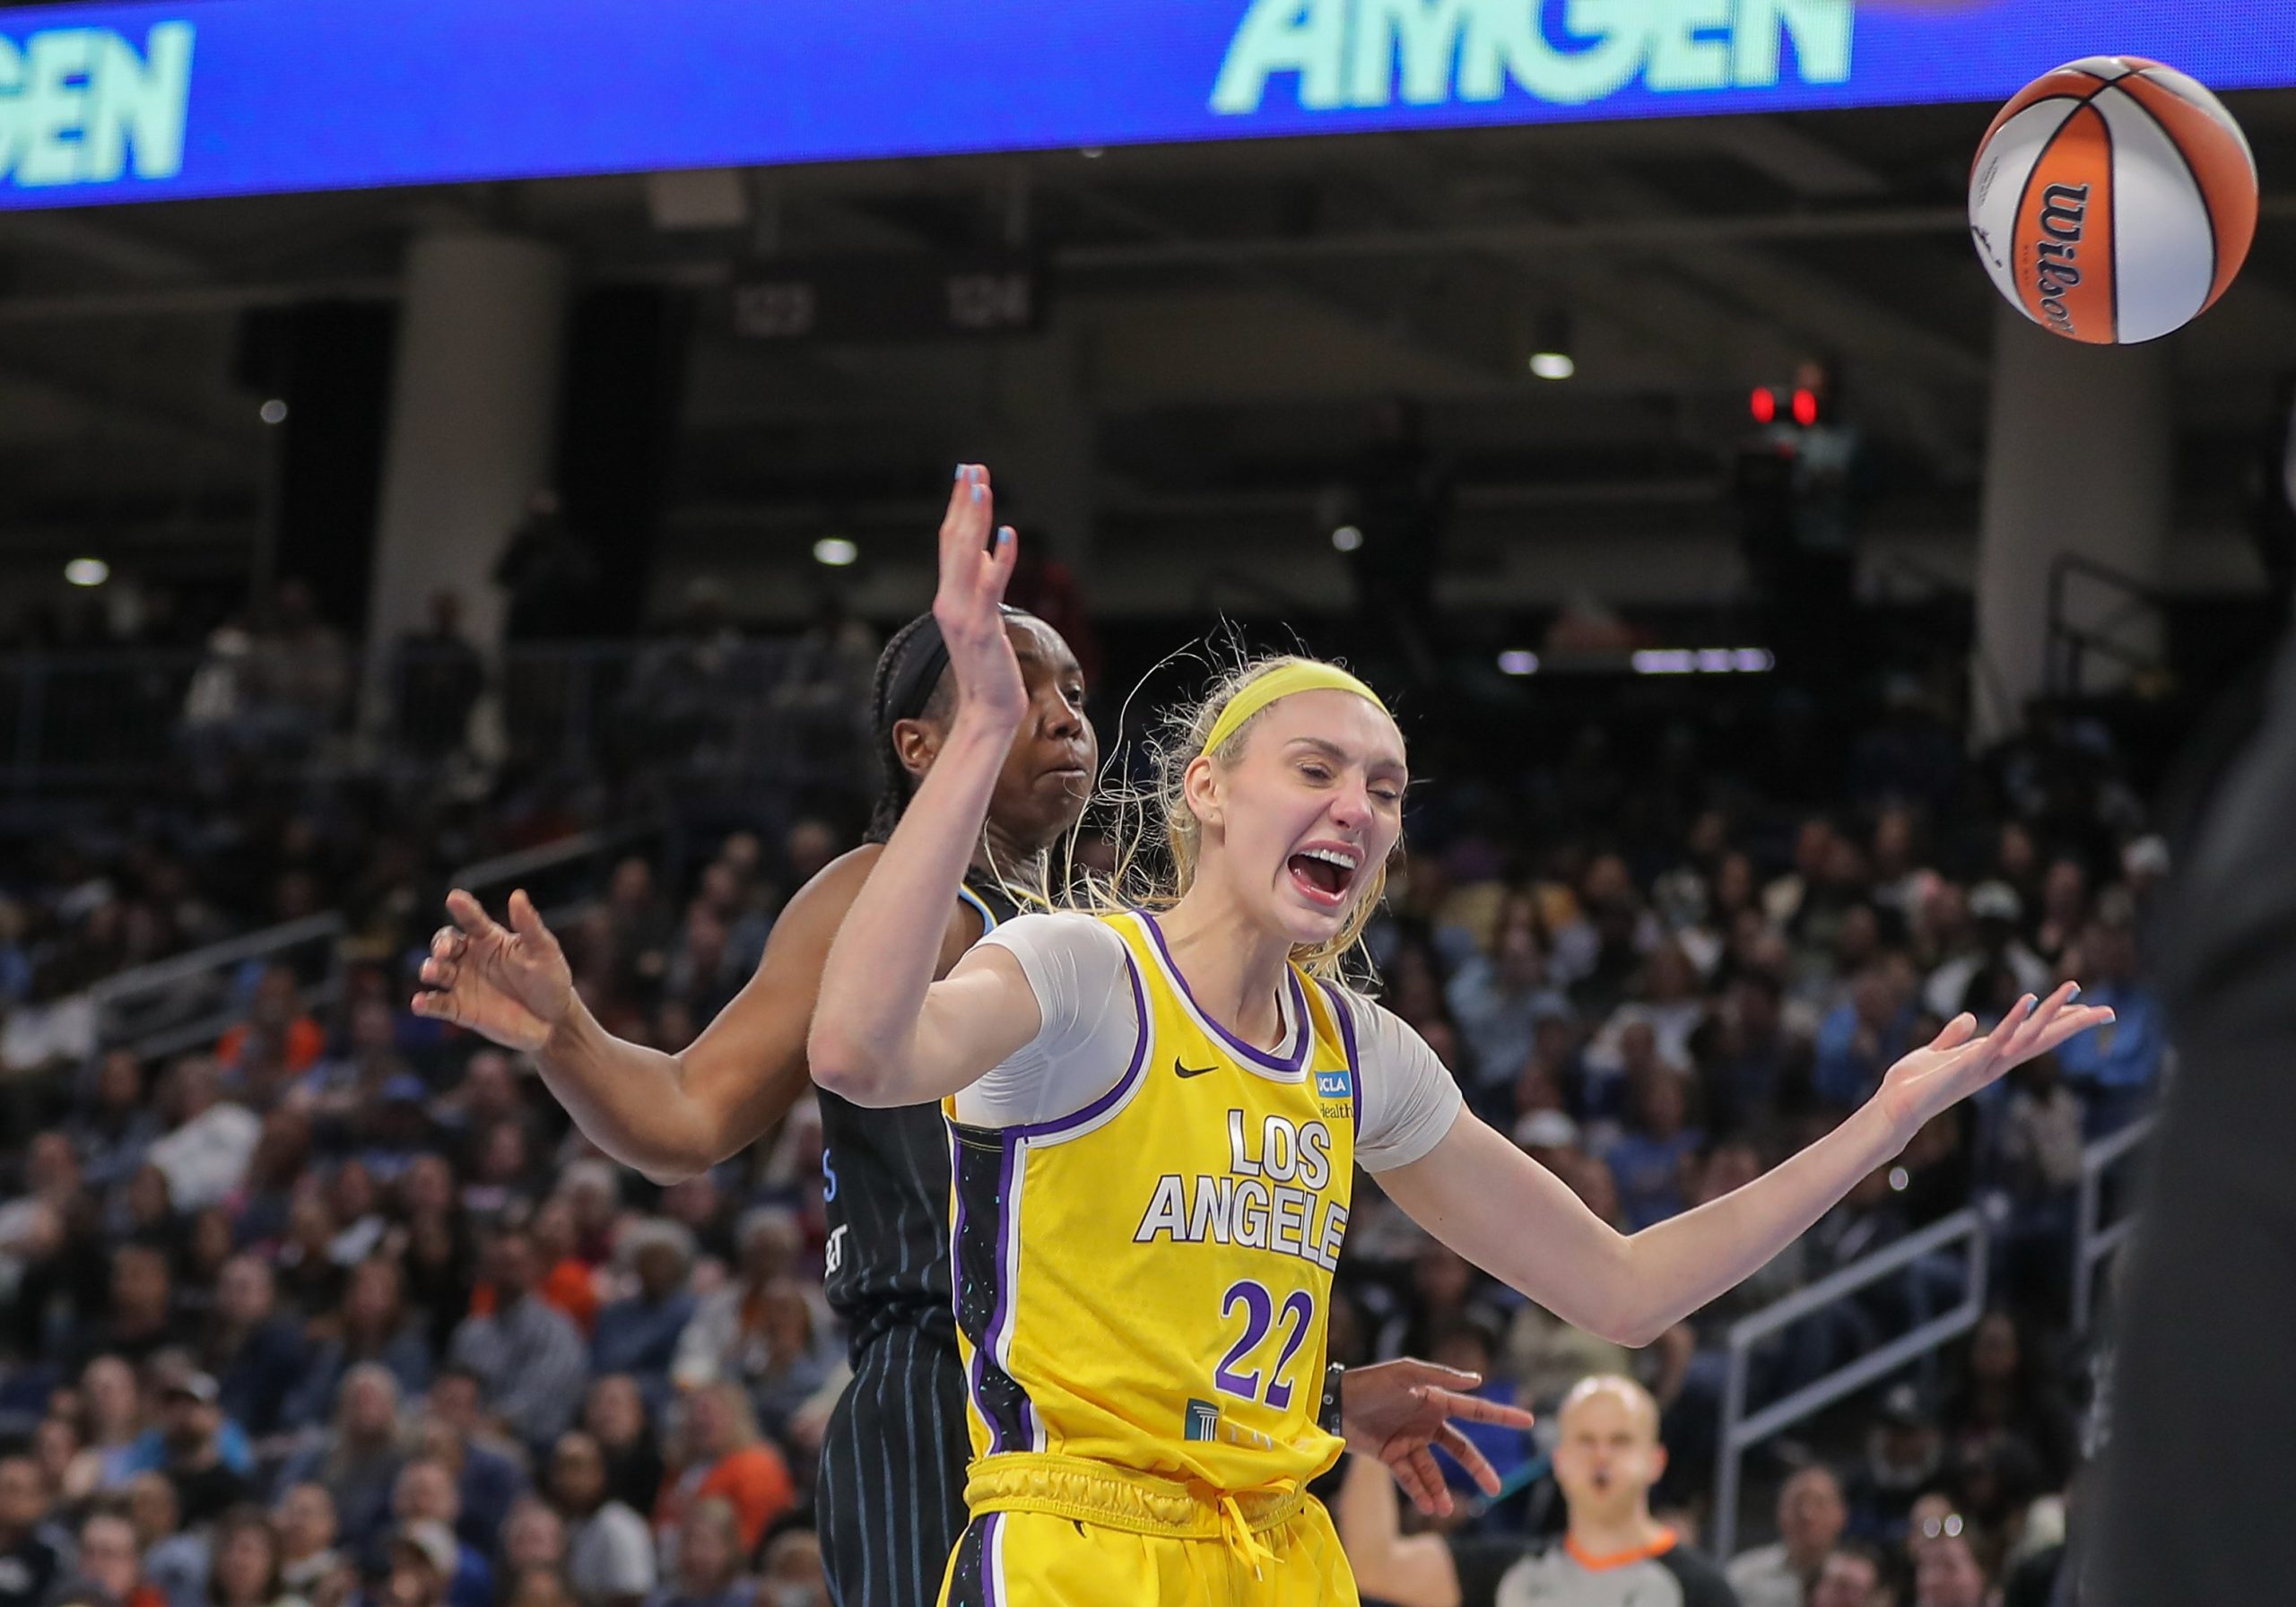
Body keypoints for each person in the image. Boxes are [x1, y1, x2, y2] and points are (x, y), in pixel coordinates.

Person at [804, 465, 2109, 1606]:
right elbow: (860, 1055)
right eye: (1314, 769)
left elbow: (1625, 1290)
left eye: (1382, 788)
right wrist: (978, 734)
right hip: (1072, 1548)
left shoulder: (1359, 1052)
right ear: (1204, 789)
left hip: (1282, 1552)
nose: (1358, 807)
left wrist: (1884, 1119)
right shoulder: (1081, 969)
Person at [415, 516, 1499, 1607]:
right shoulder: (886, 897)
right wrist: (568, 1036)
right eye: (1017, 687)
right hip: (943, 1385)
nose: (1065, 715)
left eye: (1075, 690)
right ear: (923, 744)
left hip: (1090, 1421)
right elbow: (688, 1117)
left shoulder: (1109, 951)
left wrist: (1316, 1394)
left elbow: (1152, 1273)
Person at [1331, 1376, 1737, 1607]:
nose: (1600, 1456)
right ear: (1558, 1460)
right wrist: (1376, 1434)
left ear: (1656, 1460)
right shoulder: (1509, 1572)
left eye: (1620, 1441)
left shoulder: (1703, 1590)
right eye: (1585, 1440)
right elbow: (1375, 1565)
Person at [1726, 1465, 1848, 1607]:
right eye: (1797, 1503)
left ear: (1841, 1514)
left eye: (1819, 1503)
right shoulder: (1743, 1575)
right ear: (1779, 1512)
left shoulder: (1858, 1581)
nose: (1807, 1514)